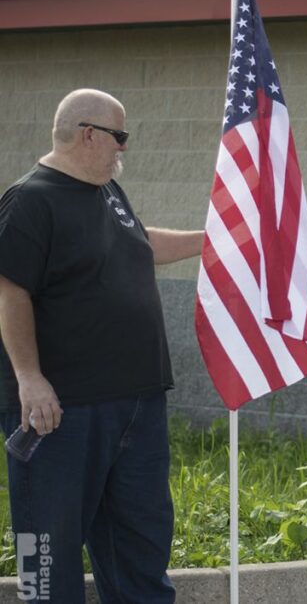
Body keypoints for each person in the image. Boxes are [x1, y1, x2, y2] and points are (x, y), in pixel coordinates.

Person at [0, 89, 204, 603]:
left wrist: (211, 239)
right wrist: (30, 378)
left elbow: (140, 240)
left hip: (136, 403)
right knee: (46, 552)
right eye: (121, 136)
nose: (124, 149)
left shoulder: (106, 191)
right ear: (88, 134)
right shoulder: (29, 199)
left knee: (140, 541)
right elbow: (10, 290)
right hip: (63, 412)